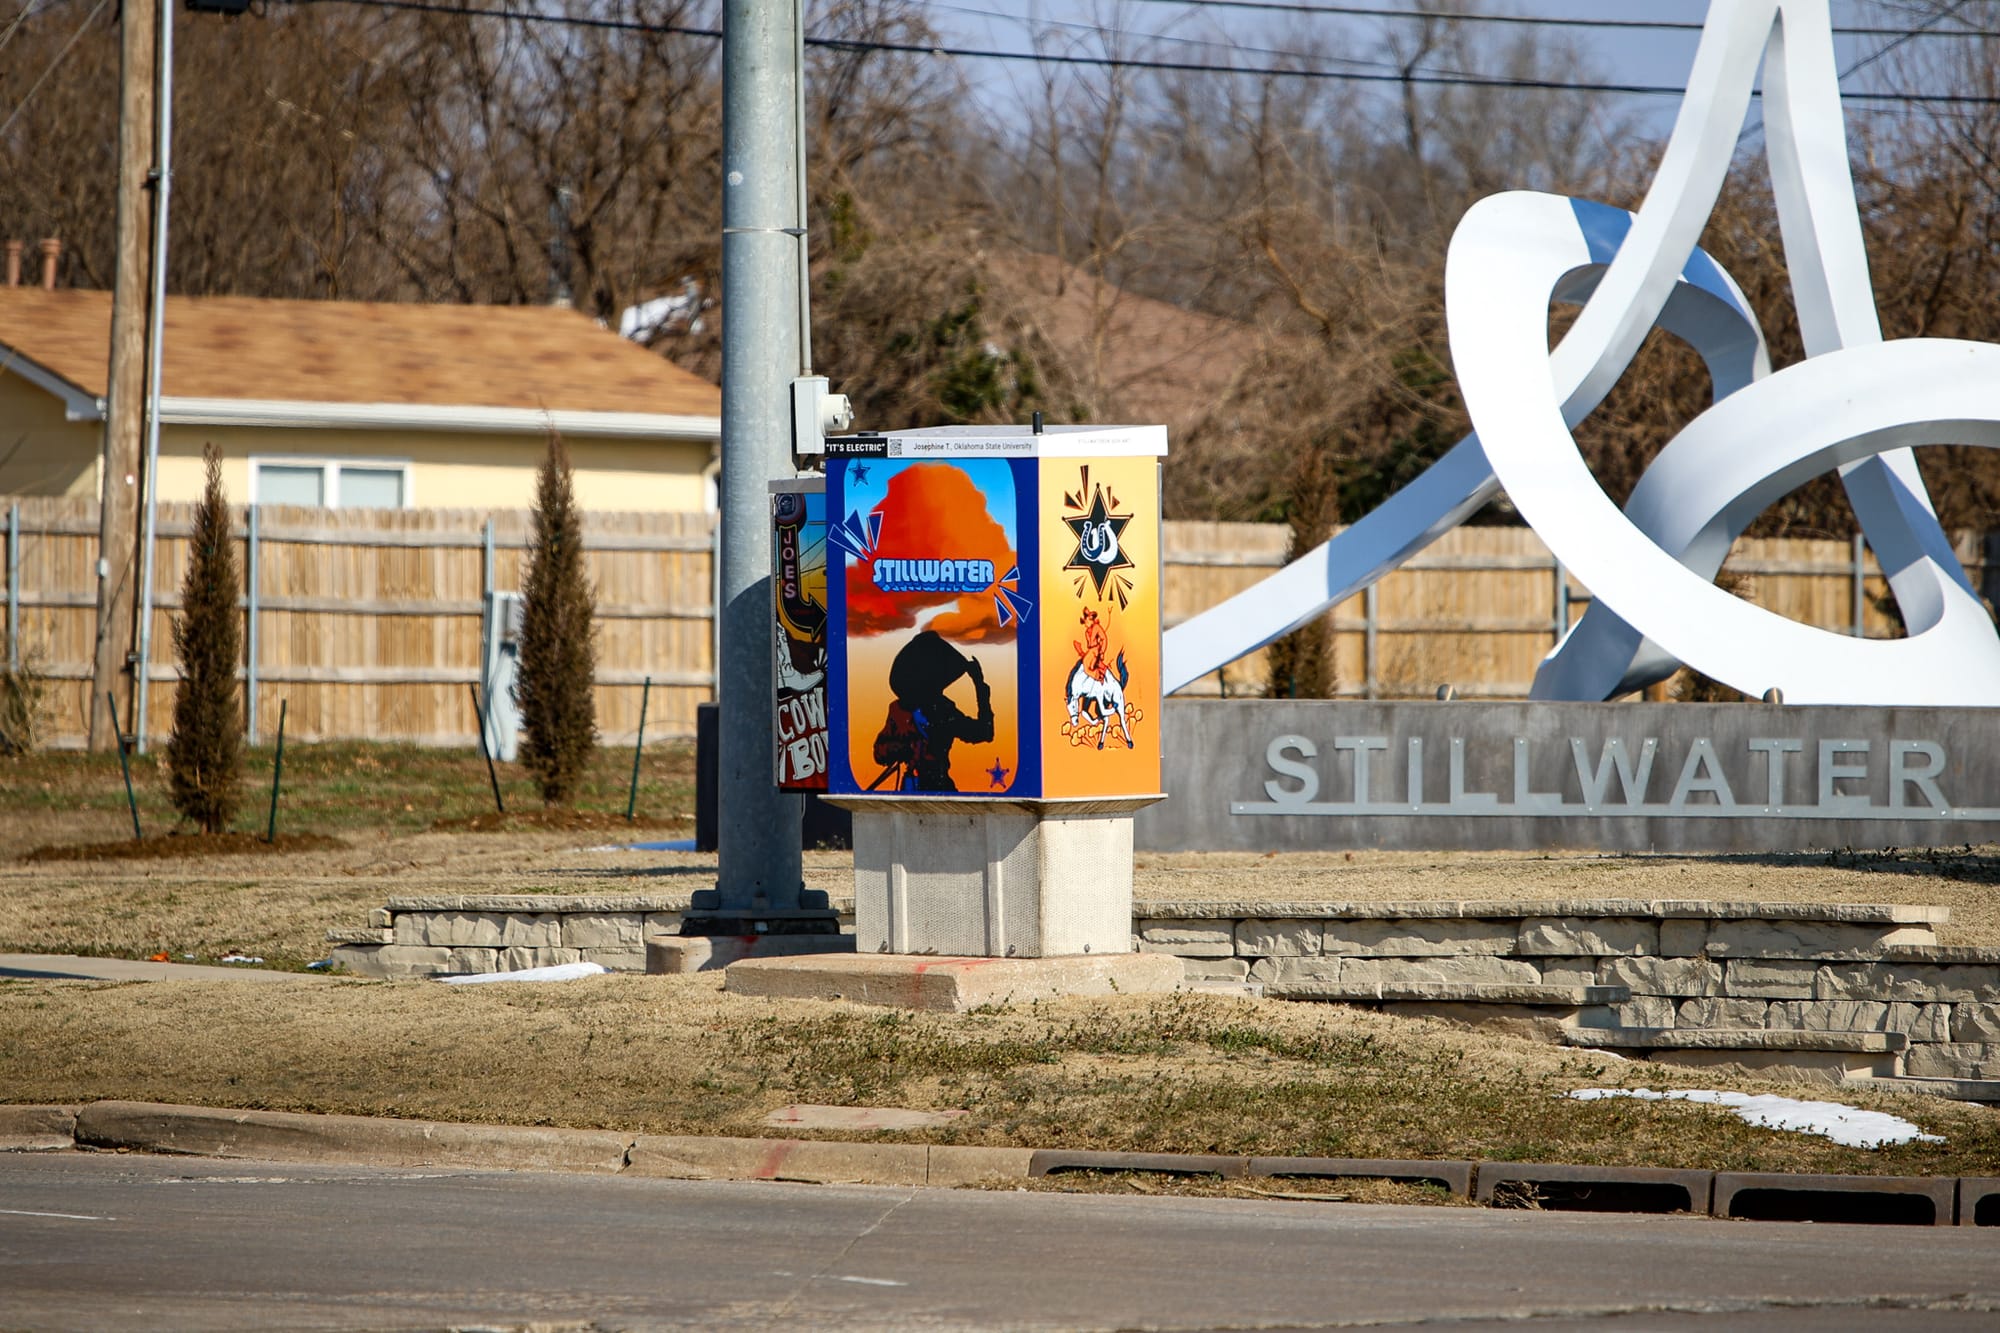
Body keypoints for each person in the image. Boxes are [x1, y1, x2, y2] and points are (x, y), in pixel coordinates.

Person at [871, 630, 995, 792]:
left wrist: (980, 687)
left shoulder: (945, 710)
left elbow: (983, 732)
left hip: (940, 786)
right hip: (910, 787)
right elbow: (880, 753)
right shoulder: (898, 710)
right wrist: (901, 747)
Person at [1074, 606, 1110, 681]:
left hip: (1095, 649)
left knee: (1086, 664)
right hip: (1091, 650)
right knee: (1089, 665)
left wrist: (1102, 652)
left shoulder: (1096, 627)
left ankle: (1098, 676)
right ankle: (1099, 675)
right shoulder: (1087, 632)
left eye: (1086, 621)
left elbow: (1104, 639)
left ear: (1090, 619)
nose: (1085, 624)